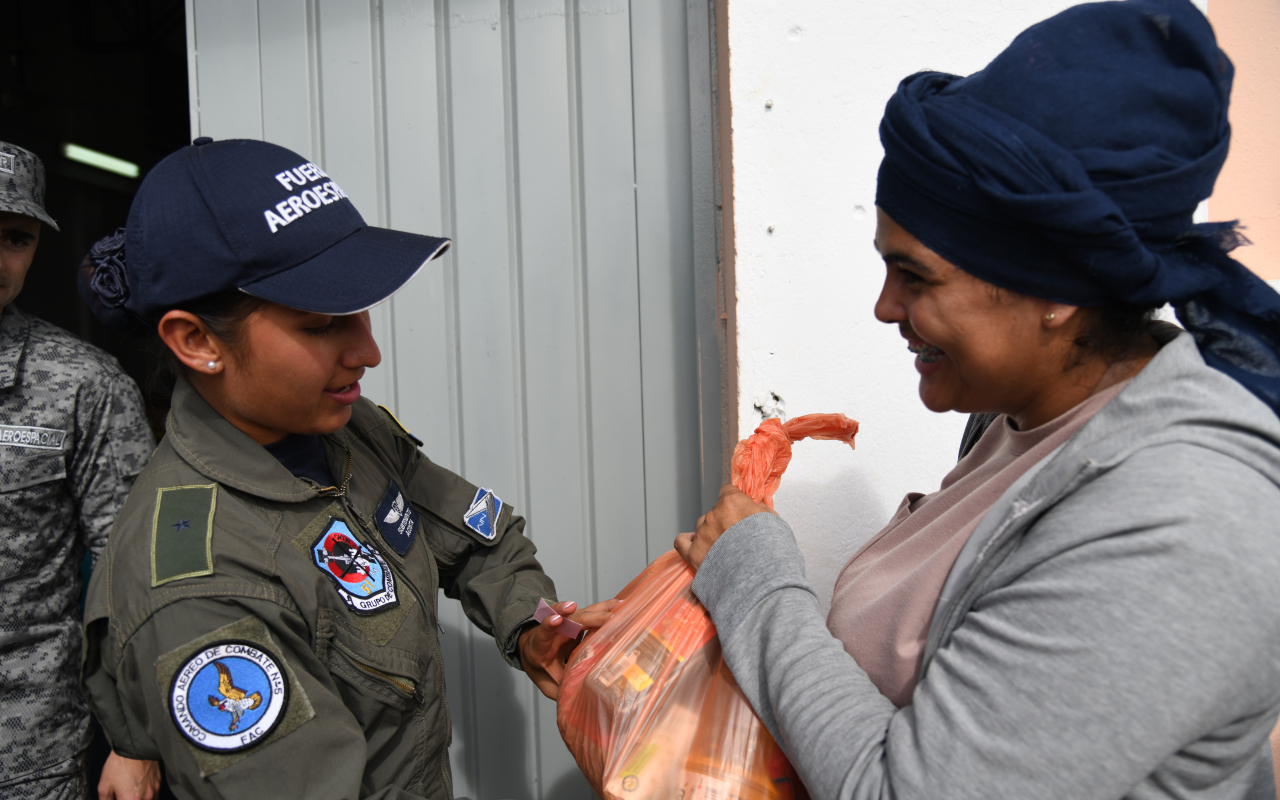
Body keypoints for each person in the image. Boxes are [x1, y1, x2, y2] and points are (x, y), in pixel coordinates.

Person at [675, 1, 1280, 797]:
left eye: (916, 276)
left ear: (1056, 291)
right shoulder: (1022, 419)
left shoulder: (1181, 525)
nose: (885, 308)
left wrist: (756, 584)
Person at [78, 137, 614, 799]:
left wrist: (532, 625)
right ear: (197, 340)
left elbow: (477, 538)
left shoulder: (342, 428)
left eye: (359, 309)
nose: (369, 351)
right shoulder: (203, 592)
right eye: (322, 324)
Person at [0, 141, 158, 800]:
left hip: (26, 751)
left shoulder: (82, 384)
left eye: (15, 238)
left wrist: (134, 739)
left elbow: (136, 567)